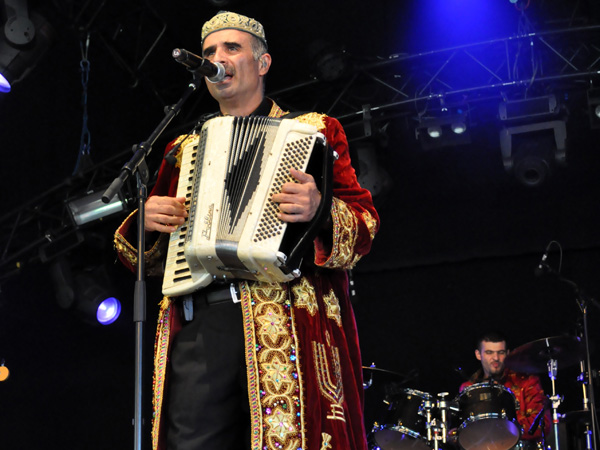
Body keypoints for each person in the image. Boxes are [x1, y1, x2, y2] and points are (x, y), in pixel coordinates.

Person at [114, 10, 379, 450]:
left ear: (263, 62)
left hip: (288, 319)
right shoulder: (183, 149)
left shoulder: (316, 130)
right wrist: (147, 223)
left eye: (231, 48)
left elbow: (365, 226)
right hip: (203, 322)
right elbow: (142, 257)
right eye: (210, 52)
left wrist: (320, 209)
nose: (218, 58)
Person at [458, 331, 552, 449]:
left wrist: (502, 430)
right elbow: (461, 430)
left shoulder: (527, 381)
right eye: (489, 352)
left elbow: (543, 425)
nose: (496, 358)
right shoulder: (468, 388)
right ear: (478, 354)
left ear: (508, 353)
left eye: (501, 353)